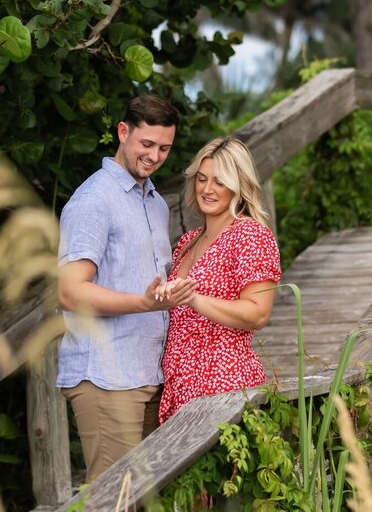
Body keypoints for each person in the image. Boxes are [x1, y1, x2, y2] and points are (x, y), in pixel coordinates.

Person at [56, 94, 197, 483]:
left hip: (149, 375)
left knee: (144, 508)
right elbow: (70, 292)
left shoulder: (154, 203)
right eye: (146, 144)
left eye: (164, 148)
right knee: (112, 511)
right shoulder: (93, 201)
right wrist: (142, 302)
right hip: (107, 378)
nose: (154, 156)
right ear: (123, 132)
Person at [157, 137, 281, 423]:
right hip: (179, 386)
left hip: (224, 383)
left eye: (219, 182)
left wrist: (194, 298)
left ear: (239, 186)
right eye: (202, 179)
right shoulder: (187, 242)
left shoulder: (249, 235)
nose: (207, 189)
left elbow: (258, 313)